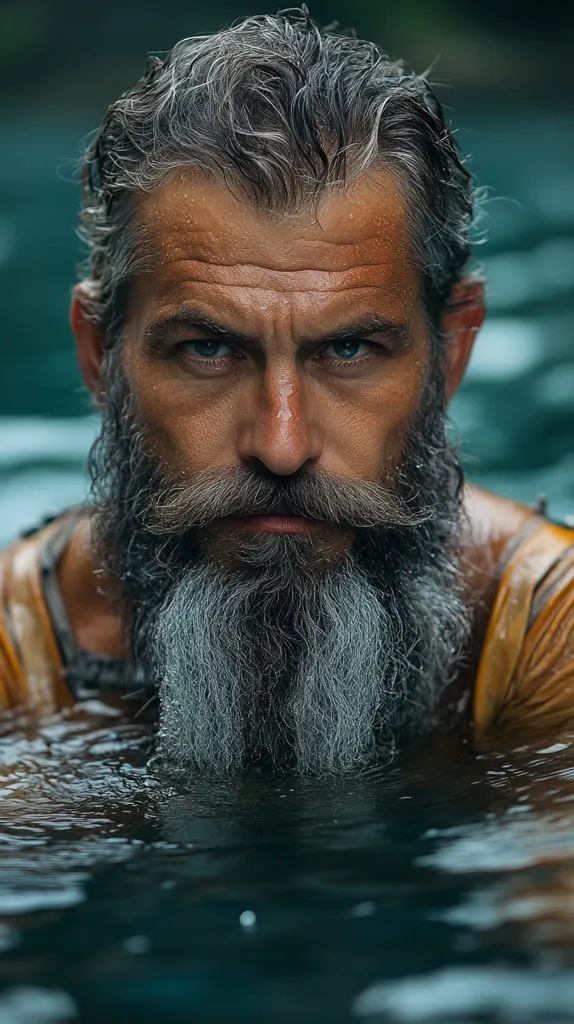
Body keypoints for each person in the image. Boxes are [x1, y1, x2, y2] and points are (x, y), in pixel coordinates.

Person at [1, 10, 573, 774]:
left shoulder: (545, 632)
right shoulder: (16, 657)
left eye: (347, 348)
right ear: (100, 356)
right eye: (208, 349)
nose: (281, 443)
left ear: (453, 349)